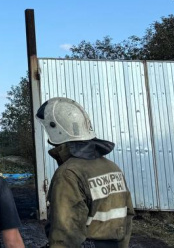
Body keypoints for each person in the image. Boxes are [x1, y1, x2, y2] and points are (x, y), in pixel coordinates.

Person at [36, 97, 134, 248]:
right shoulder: (112, 167)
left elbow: (65, 233)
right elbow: (127, 216)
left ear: (56, 130)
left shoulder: (68, 173)